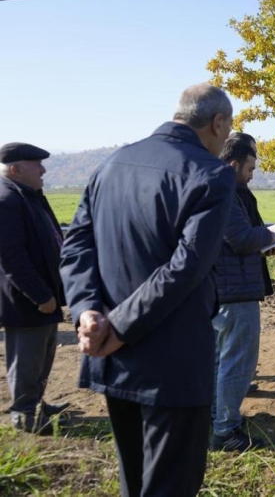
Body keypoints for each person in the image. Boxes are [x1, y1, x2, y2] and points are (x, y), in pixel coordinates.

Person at [59, 83, 236, 496]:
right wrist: (117, 327)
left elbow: (76, 244)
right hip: (171, 363)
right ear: (217, 122)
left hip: (110, 354)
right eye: (227, 131)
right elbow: (185, 267)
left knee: (133, 479)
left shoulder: (112, 163)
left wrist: (88, 312)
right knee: (171, 483)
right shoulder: (212, 175)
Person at [211, 132, 275, 452]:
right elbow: (239, 238)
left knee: (221, 361)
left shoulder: (226, 188)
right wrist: (270, 236)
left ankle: (218, 420)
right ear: (233, 163)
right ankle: (226, 430)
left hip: (225, 288)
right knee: (237, 363)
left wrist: (264, 245)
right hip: (233, 291)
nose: (253, 175)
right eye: (250, 168)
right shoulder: (226, 192)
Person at [0, 142, 69, 434]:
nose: (42, 170)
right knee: (27, 359)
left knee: (43, 355)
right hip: (27, 300)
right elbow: (11, 257)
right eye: (36, 164)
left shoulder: (28, 196)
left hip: (44, 295)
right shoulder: (6, 200)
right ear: (15, 169)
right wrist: (40, 294)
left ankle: (37, 404)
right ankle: (24, 416)